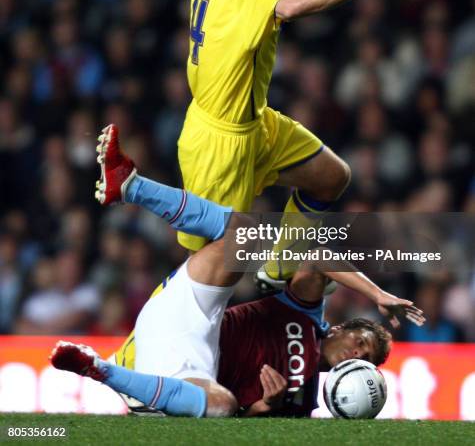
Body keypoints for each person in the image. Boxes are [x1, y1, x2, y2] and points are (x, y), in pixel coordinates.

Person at [51, 124, 424, 418]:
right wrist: (378, 294)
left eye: (367, 357)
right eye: (362, 340)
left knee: (222, 406)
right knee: (251, 234)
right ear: (342, 328)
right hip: (189, 318)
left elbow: (242, 419)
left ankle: (101, 371)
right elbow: (315, 259)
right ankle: (130, 185)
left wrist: (267, 405)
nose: (358, 352)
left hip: (185, 374)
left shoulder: (300, 405)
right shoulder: (307, 313)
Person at [157, 0, 412, 284]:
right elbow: (291, 5)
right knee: (207, 276)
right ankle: (143, 345)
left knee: (331, 176)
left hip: (256, 124)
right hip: (218, 145)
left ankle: (277, 269)